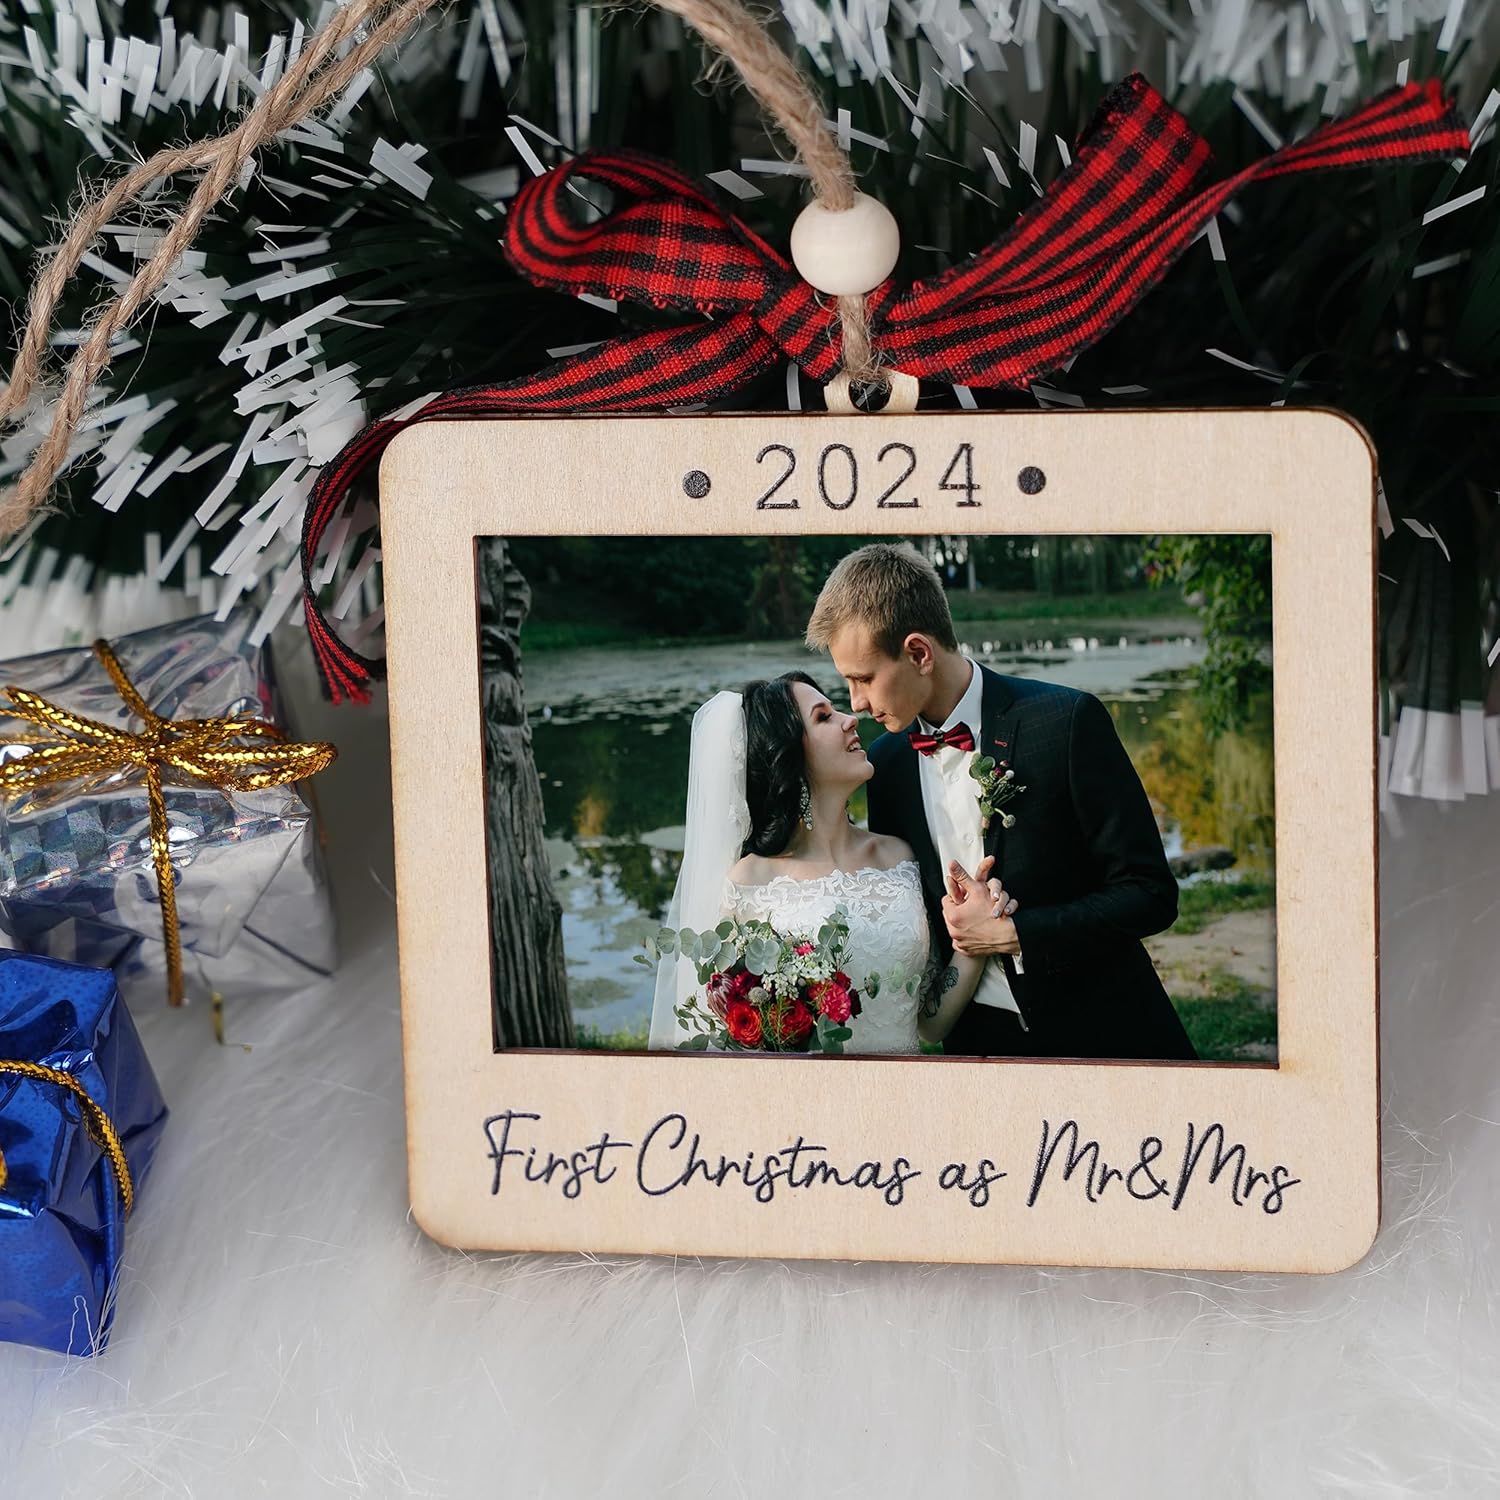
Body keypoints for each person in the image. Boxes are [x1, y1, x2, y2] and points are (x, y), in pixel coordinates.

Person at [805, 542, 1198, 1062]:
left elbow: (1150, 893)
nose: (856, 703)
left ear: (919, 653)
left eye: (864, 678)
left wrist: (1017, 933)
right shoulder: (887, 766)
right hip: (975, 1051)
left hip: (1105, 1033)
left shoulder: (1066, 722)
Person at [647, 672, 990, 1054]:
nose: (850, 719)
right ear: (788, 755)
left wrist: (973, 942)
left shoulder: (898, 858)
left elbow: (930, 1024)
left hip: (906, 1084)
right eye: (824, 717)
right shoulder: (749, 883)